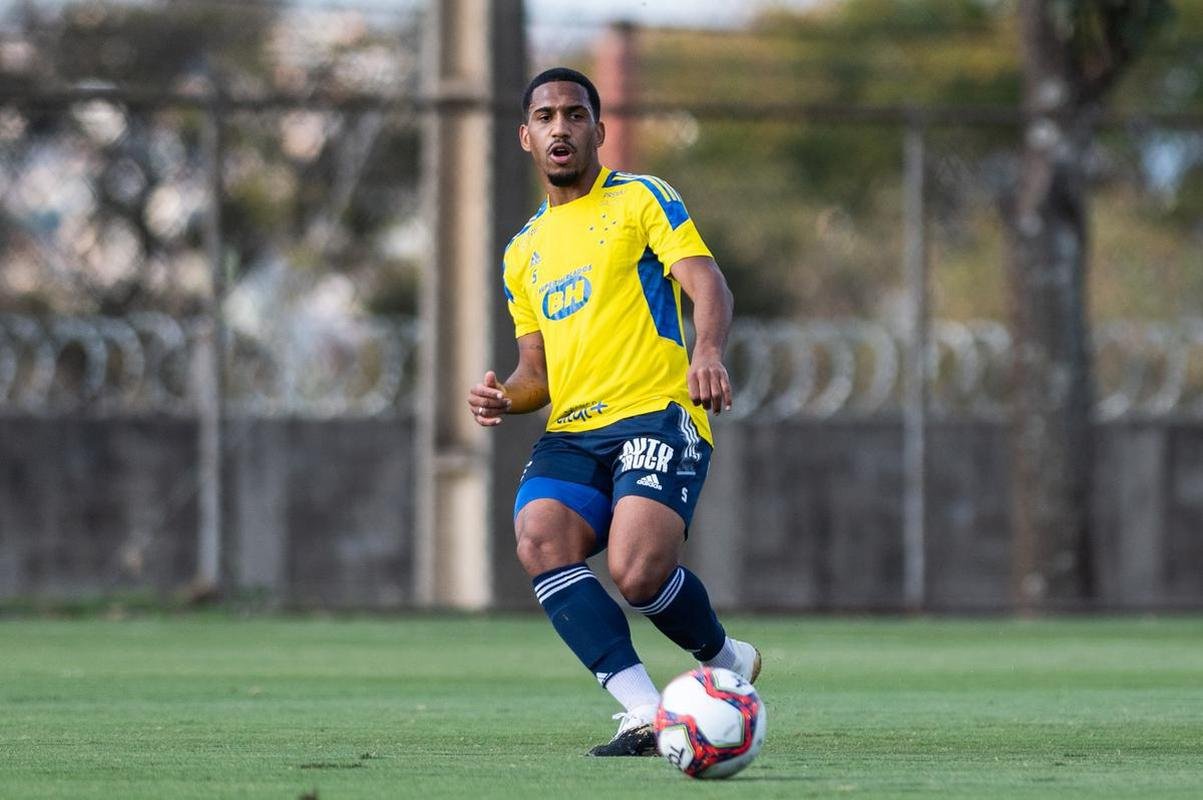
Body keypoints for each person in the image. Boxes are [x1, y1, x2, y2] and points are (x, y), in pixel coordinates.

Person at [466, 67, 759, 757]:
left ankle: (725, 659)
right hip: (573, 431)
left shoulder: (641, 198)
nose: (560, 127)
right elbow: (536, 373)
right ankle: (645, 711)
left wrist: (707, 351)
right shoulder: (522, 252)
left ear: (598, 130)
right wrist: (506, 396)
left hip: (656, 411)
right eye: (544, 117)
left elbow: (706, 282)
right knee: (539, 538)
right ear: (525, 136)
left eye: (574, 114)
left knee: (636, 573)